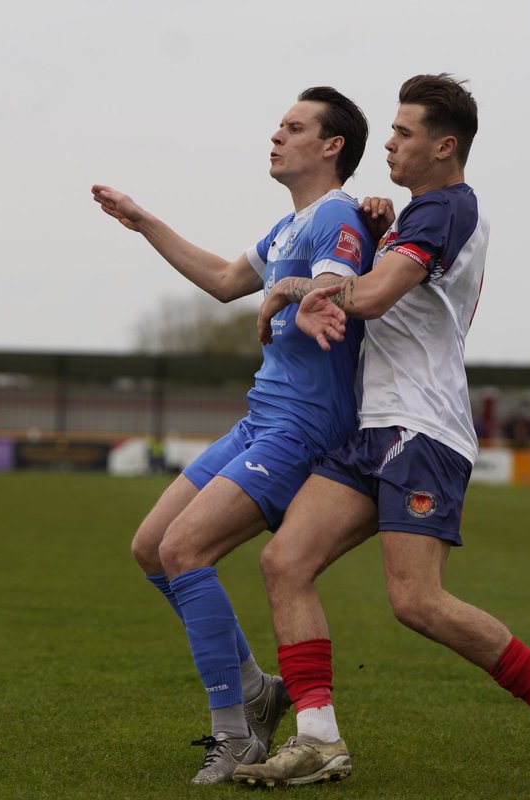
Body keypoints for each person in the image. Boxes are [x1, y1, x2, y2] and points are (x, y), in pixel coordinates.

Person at [231, 74, 530, 798]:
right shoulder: (418, 214)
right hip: (374, 428)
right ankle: (317, 739)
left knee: (416, 603)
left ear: (445, 146)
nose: (390, 144)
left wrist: (289, 288)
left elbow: (373, 297)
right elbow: (390, 275)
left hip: (422, 430)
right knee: (285, 561)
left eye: (403, 134)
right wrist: (379, 223)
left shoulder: (447, 209)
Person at [89, 87, 375, 784]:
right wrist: (144, 221)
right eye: (278, 125)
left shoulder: (338, 215)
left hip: (305, 427)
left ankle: (236, 734)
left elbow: (338, 282)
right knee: (152, 548)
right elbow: (223, 279)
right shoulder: (286, 228)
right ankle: (255, 689)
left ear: (331, 147)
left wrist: (300, 294)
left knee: (186, 548)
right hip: (260, 418)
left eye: (294, 127)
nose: (276, 136)